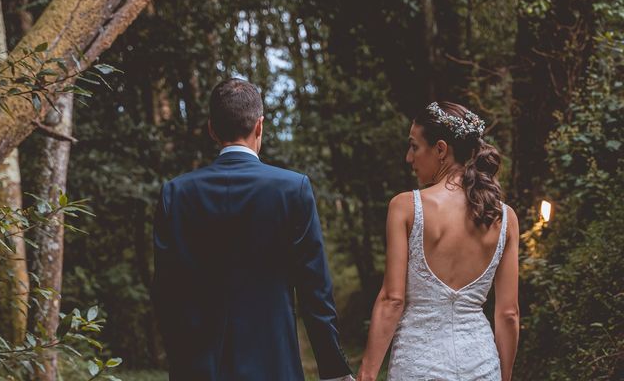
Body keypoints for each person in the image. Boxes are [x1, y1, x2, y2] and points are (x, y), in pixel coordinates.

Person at [151, 78, 353, 381]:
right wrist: (333, 370)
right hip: (274, 363)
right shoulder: (292, 188)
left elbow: (165, 291)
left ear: (211, 129)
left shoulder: (176, 193)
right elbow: (315, 290)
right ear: (260, 126)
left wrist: (183, 356)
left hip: (198, 367)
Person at [358, 102, 520, 381]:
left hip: (418, 367)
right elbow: (508, 313)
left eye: (414, 146)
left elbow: (392, 300)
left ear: (441, 150)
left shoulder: (405, 207)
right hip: (482, 366)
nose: (409, 158)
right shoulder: (504, 218)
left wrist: (367, 373)